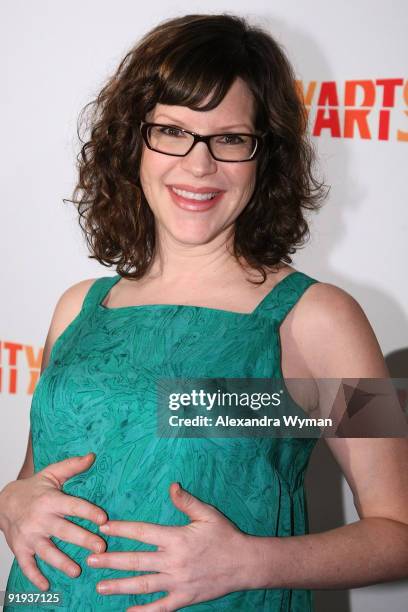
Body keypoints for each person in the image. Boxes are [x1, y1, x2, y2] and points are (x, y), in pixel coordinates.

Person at [1, 12, 408, 612]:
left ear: (264, 156)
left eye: (230, 138)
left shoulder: (319, 319)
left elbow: (397, 533)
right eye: (171, 130)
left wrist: (254, 561)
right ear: (132, 142)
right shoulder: (78, 309)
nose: (199, 165)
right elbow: (36, 475)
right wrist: (10, 500)